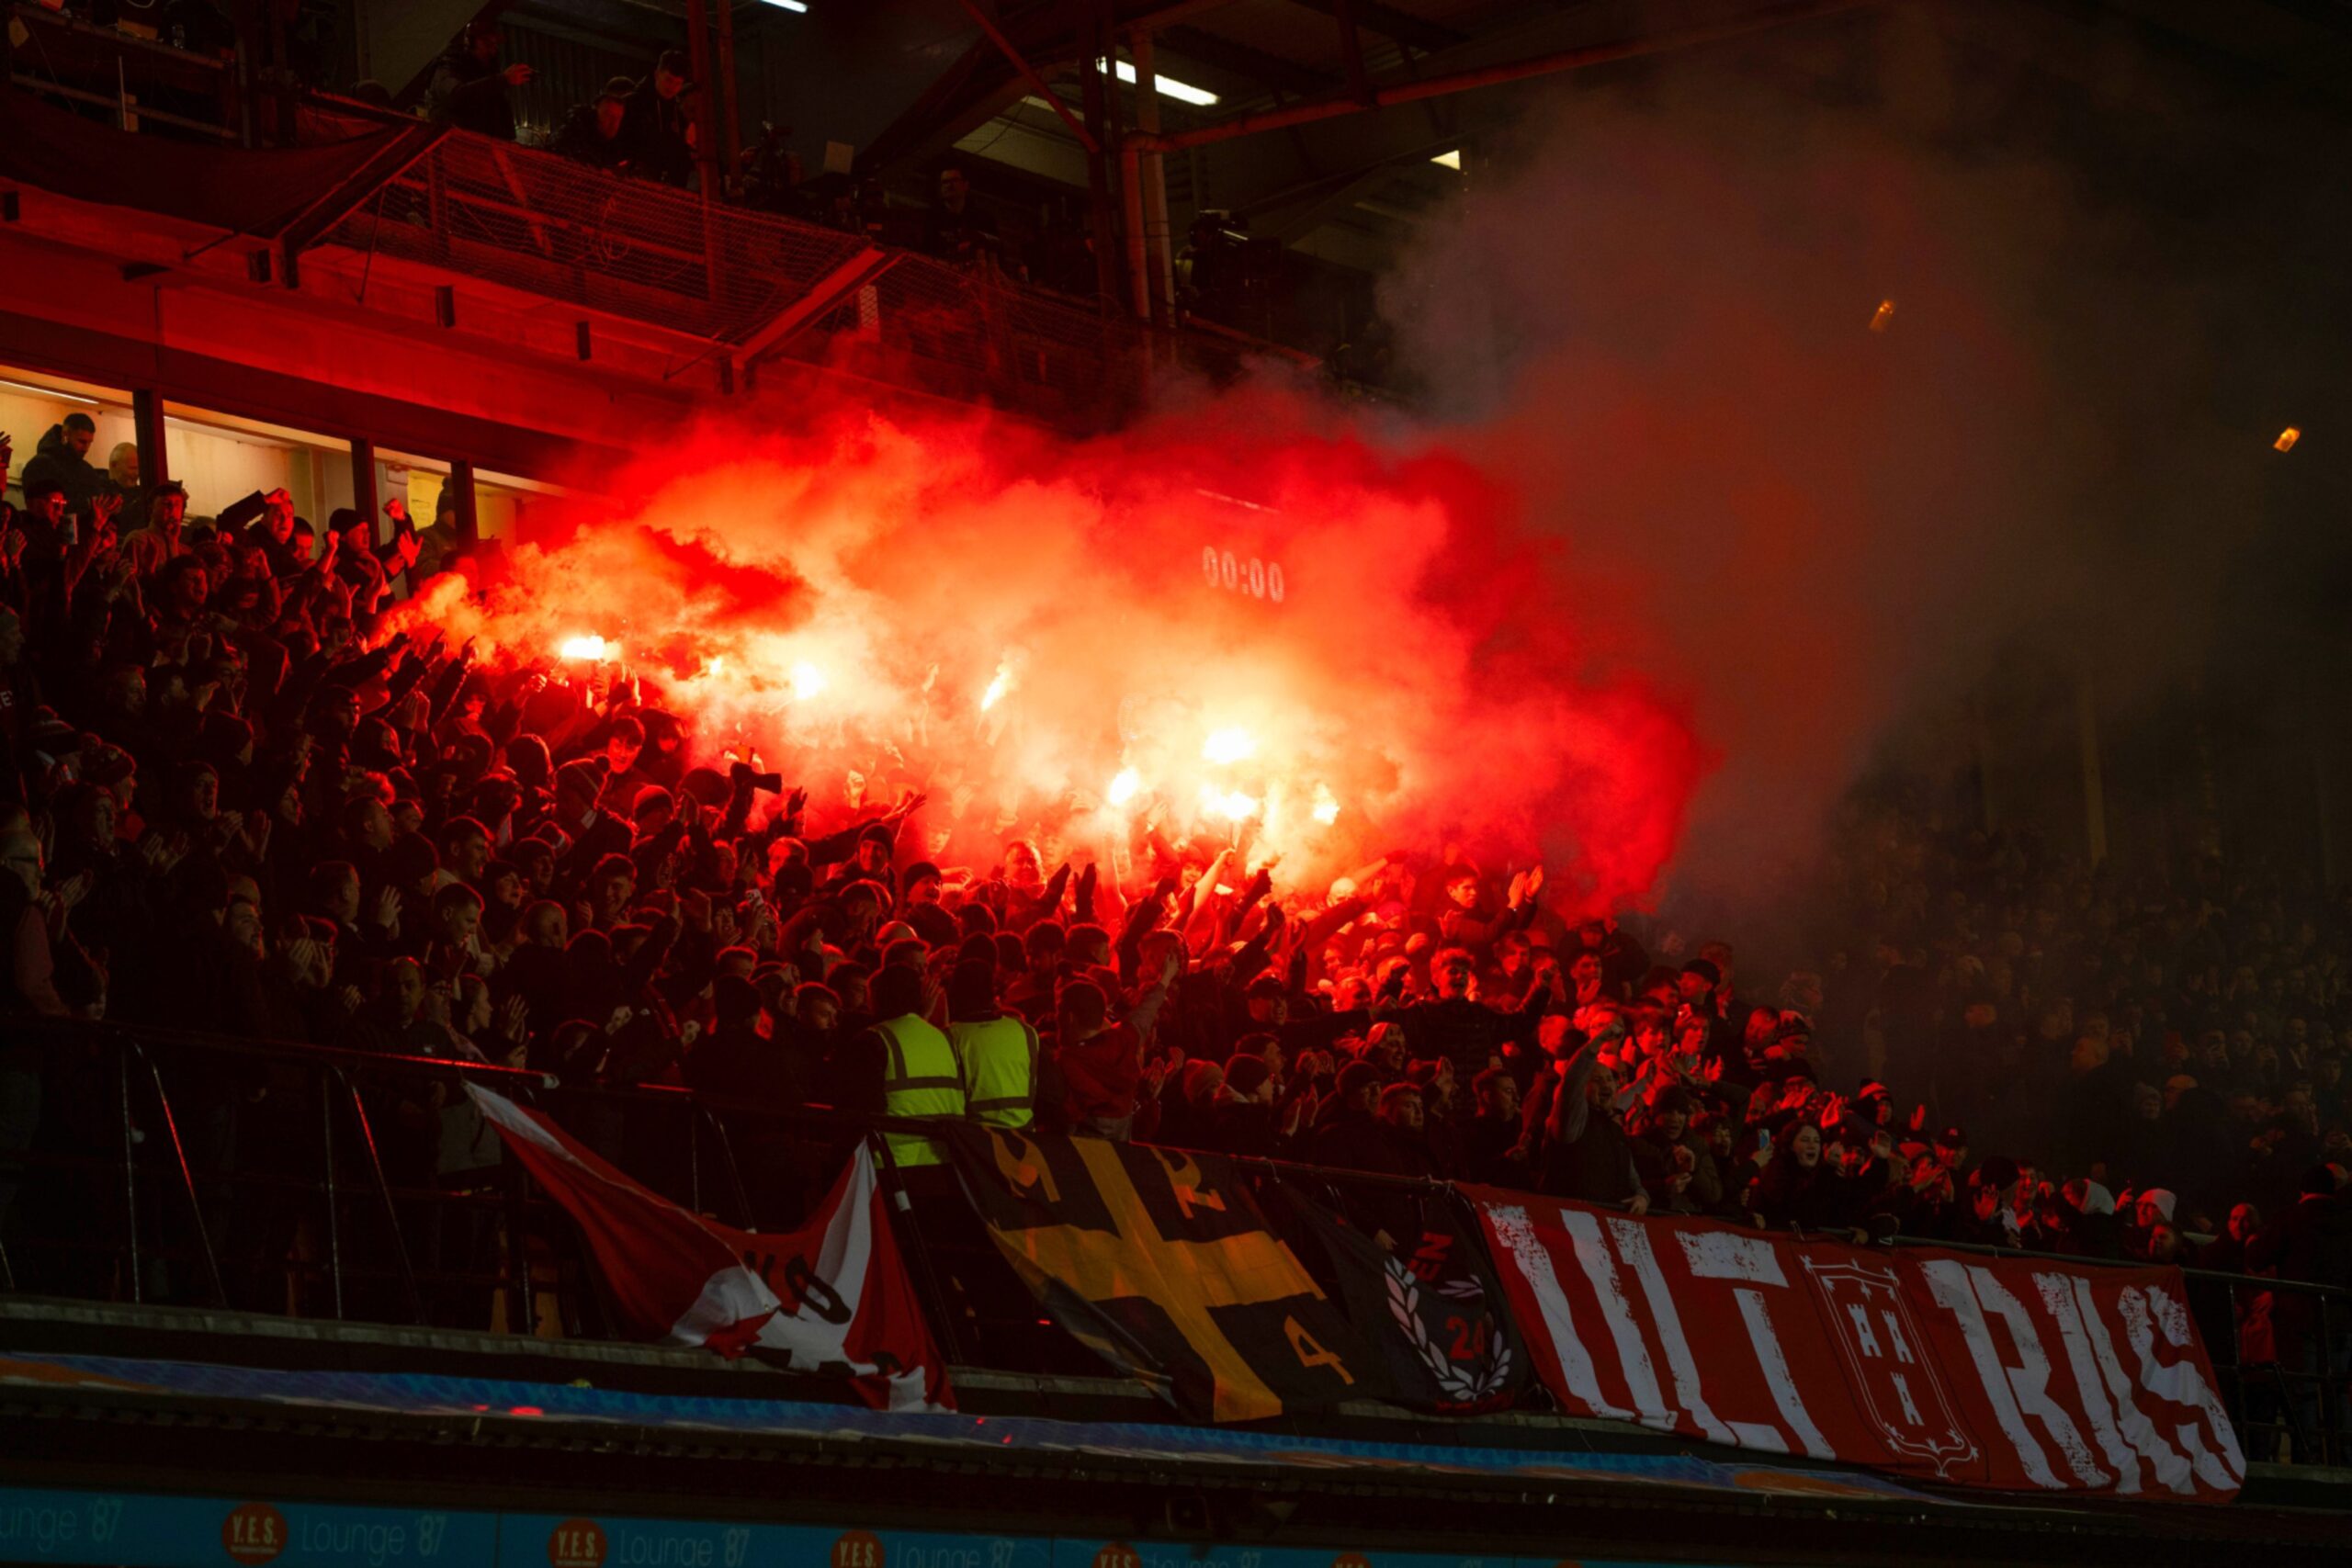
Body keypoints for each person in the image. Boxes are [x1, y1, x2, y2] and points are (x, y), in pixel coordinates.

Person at [427, 24, 533, 141]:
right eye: (487, 43)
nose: (493, 50)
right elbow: (455, 95)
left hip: (481, 144)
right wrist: (503, 80)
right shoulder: (449, 67)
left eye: (495, 44)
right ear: (470, 42)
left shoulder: (485, 73)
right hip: (456, 142)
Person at [621, 51, 695, 187]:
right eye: (668, 80)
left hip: (667, 189)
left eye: (678, 83)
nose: (672, 87)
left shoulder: (677, 114)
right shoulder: (633, 104)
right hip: (636, 185)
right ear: (657, 74)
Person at [19, 414, 103, 516]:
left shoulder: (87, 470)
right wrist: (87, 503)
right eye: (82, 441)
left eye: (89, 443)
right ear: (65, 435)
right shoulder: (40, 466)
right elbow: (44, 507)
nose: (86, 448)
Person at [921, 165, 1001, 269]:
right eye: (945, 182)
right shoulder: (931, 218)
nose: (949, 185)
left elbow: (996, 251)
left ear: (966, 185)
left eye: (954, 180)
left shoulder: (983, 219)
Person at [553, 77, 636, 174]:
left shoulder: (625, 135)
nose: (613, 123)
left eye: (618, 118)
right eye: (608, 115)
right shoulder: (576, 130)